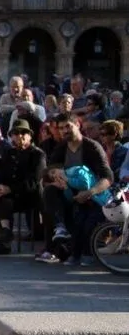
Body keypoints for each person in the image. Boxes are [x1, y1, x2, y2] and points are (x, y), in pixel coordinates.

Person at [37, 112, 112, 266]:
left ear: (77, 124)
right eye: (60, 128)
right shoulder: (61, 148)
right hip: (68, 191)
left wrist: (90, 192)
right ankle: (56, 239)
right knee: (49, 193)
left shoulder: (92, 147)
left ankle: (83, 252)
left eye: (67, 126)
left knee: (86, 221)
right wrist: (55, 179)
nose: (64, 131)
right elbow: (48, 172)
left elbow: (108, 177)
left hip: (93, 194)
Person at [0, 120, 47, 255]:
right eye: (16, 133)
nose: (20, 136)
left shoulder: (38, 154)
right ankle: (5, 238)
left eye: (23, 133)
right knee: (2, 198)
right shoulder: (9, 153)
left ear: (30, 136)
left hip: (30, 196)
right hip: (12, 196)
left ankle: (5, 237)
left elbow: (34, 181)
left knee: (6, 196)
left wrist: (10, 188)